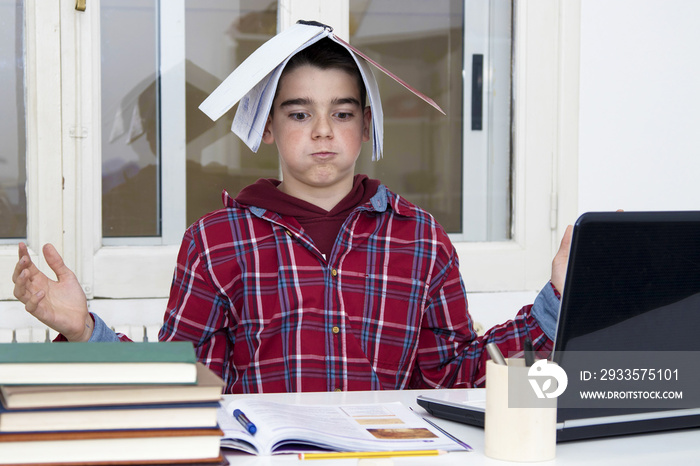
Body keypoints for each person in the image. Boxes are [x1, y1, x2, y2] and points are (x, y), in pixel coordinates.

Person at [13, 29, 572, 394]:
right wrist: (85, 330)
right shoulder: (215, 242)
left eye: (343, 113)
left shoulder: (421, 239)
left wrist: (559, 303)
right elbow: (185, 384)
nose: (324, 131)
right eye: (300, 114)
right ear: (268, 128)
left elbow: (460, 375)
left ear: (366, 126)